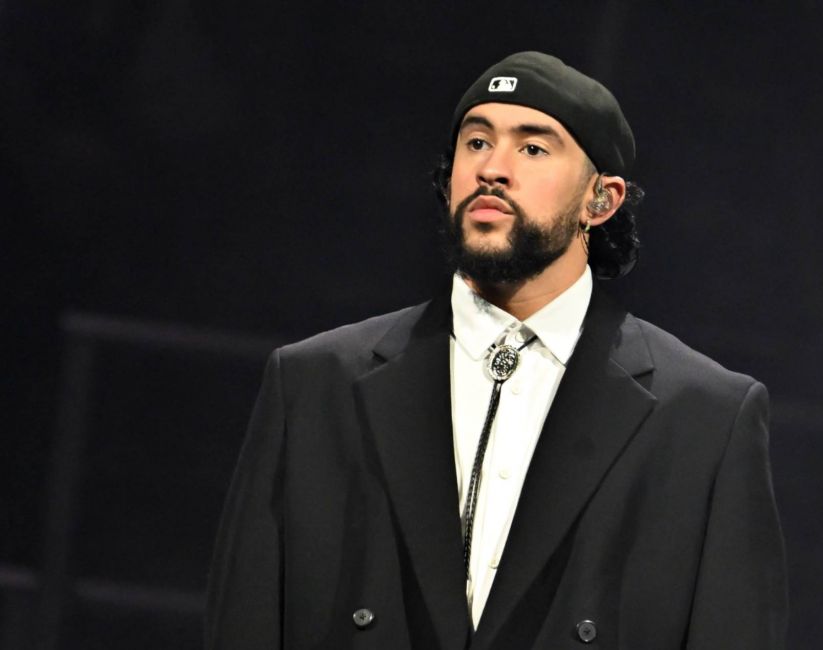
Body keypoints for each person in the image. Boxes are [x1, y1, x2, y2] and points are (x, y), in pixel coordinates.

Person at [205, 51, 787, 649]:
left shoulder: (706, 418)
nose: (493, 169)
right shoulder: (314, 383)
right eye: (476, 142)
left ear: (602, 200)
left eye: (533, 148)